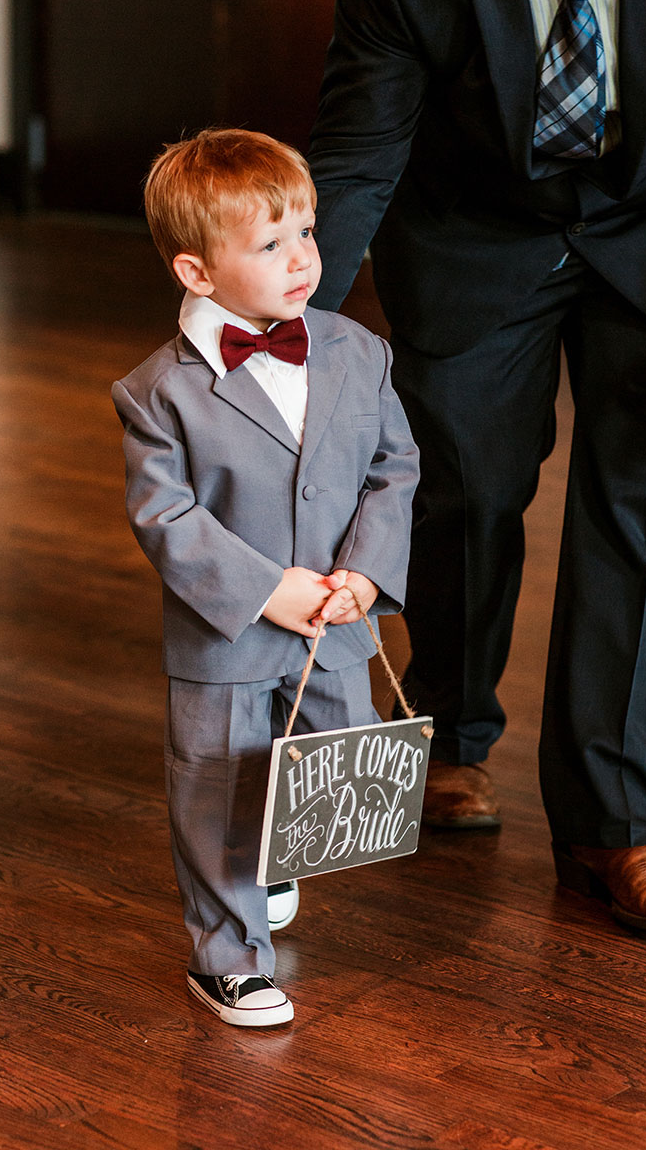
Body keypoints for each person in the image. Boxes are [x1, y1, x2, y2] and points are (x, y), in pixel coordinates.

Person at [307, 0, 646, 931]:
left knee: (645, 508)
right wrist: (277, 340)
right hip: (469, 233)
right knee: (463, 488)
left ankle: (617, 822)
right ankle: (447, 736)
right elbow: (352, 157)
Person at [112, 128, 419, 1026]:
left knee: (323, 751)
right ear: (196, 274)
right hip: (230, 632)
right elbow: (165, 516)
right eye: (270, 244)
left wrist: (364, 573)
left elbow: (392, 469)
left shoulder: (358, 350)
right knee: (218, 781)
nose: (302, 260)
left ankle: (274, 859)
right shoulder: (157, 392)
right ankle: (226, 953)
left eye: (307, 233)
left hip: (337, 621)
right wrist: (264, 590)